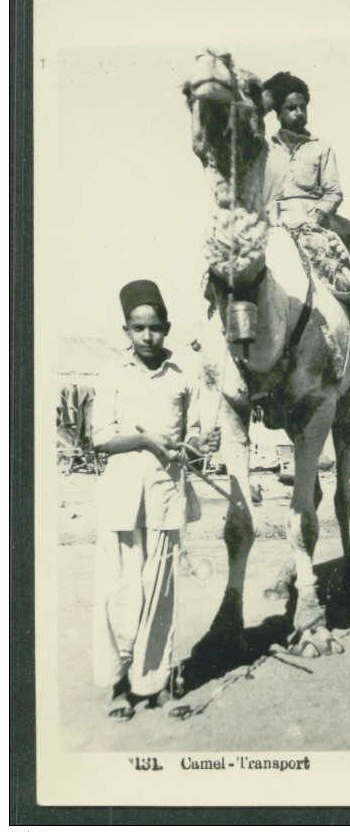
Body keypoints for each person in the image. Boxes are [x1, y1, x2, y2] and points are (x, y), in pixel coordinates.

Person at [91, 279, 220, 720]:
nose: (147, 337)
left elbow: (201, 433)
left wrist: (200, 443)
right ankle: (118, 683)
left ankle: (154, 682)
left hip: (166, 496)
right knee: (121, 592)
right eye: (137, 328)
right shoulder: (111, 374)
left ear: (167, 327)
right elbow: (101, 438)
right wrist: (146, 441)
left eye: (155, 328)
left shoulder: (185, 376)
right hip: (121, 499)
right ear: (125, 329)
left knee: (160, 591)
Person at [261, 71, 350, 344]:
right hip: (273, 219)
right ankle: (213, 313)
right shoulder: (264, 149)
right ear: (278, 112)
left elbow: (334, 192)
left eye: (302, 107)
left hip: (314, 216)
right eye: (291, 108)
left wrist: (318, 215)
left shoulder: (321, 148)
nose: (298, 113)